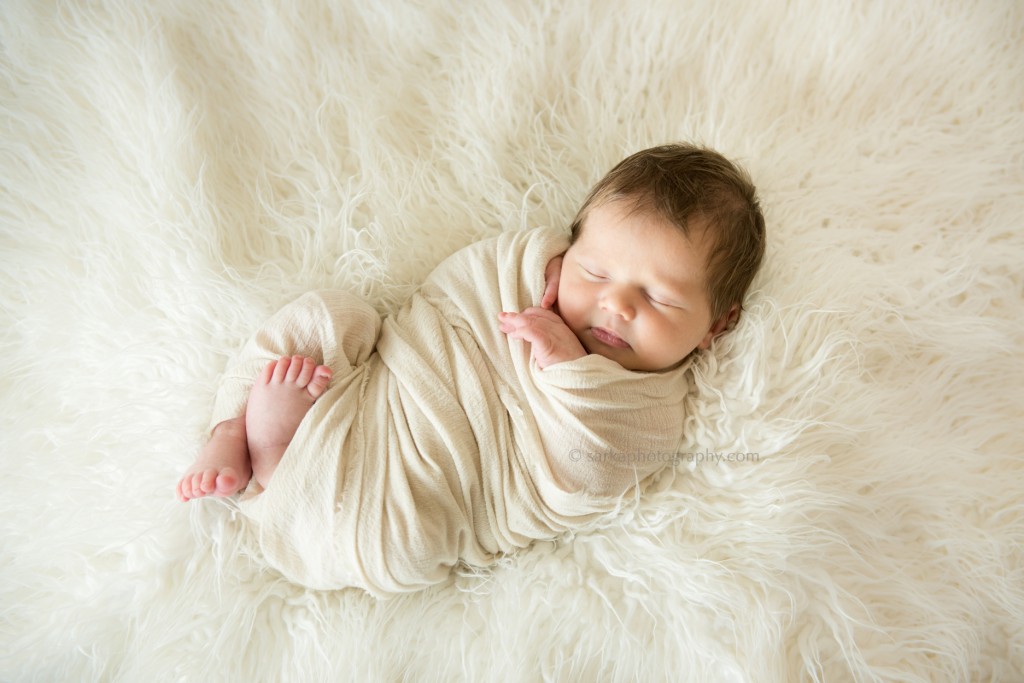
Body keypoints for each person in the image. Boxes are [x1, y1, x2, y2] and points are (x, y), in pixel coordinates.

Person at [176, 143, 766, 596]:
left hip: (434, 488)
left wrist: (566, 367)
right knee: (332, 315)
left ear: (717, 324)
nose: (617, 304)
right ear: (569, 247)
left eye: (660, 299)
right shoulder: (527, 272)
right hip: (380, 397)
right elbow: (451, 293)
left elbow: (589, 475)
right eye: (596, 272)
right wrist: (535, 274)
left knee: (407, 545)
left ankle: (281, 459)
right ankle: (232, 429)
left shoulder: (649, 411)